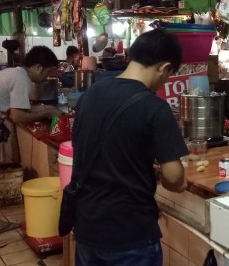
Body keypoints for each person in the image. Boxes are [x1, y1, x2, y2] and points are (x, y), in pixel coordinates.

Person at [71, 28, 188, 266]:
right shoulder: (155, 108)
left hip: (87, 226)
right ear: (164, 68)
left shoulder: (91, 95)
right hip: (131, 234)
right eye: (168, 75)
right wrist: (175, 183)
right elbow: (173, 176)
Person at [0, 46, 63, 251]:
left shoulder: (15, 74)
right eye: (50, 72)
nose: (49, 77)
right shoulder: (21, 79)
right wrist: (49, 110)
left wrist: (46, 110)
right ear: (38, 67)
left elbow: (15, 109)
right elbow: (18, 116)